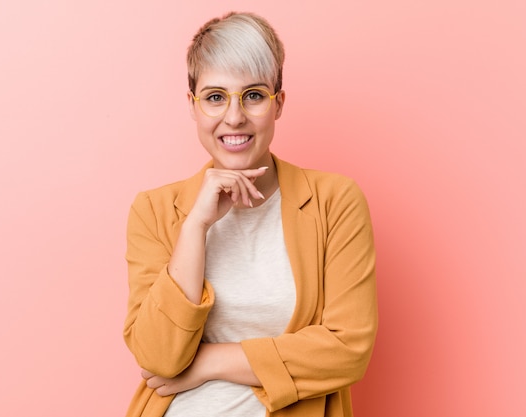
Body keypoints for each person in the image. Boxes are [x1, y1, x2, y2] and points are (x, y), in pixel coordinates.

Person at [123, 11, 378, 417]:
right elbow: (157, 358)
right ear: (193, 106)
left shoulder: (335, 201)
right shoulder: (154, 210)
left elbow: (348, 350)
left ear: (279, 103)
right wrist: (196, 226)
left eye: (254, 94)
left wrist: (207, 362)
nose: (234, 116)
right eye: (215, 97)